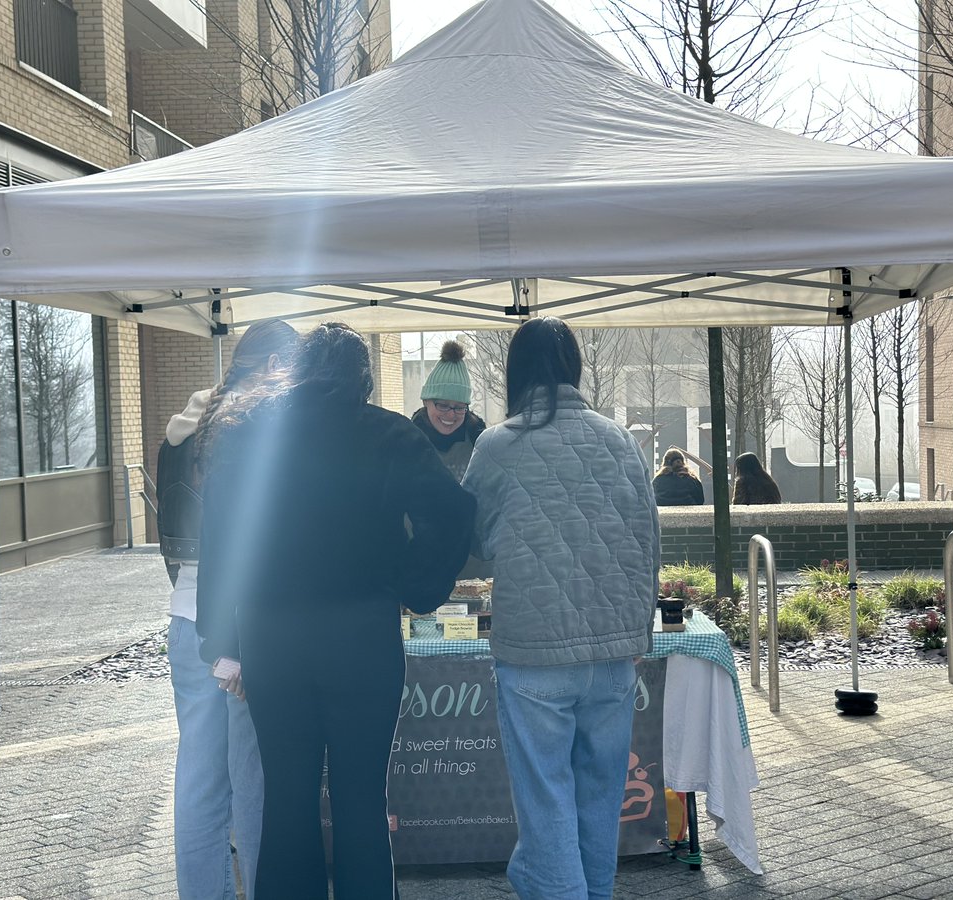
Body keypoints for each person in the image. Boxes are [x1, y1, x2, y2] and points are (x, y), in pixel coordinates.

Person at [195, 322, 475, 900]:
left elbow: (220, 545)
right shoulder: (388, 434)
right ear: (363, 380)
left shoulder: (248, 437)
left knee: (288, 797)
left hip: (272, 636)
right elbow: (450, 513)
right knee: (360, 797)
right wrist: (410, 583)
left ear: (294, 373)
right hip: (361, 635)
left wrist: (218, 640)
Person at [461, 316, 661, 900]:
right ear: (573, 368)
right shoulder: (621, 439)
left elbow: (472, 539)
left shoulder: (497, 444)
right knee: (600, 795)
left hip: (535, 652)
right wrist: (639, 636)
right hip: (614, 652)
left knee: (546, 797)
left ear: (515, 372)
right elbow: (649, 541)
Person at [156, 318, 298, 900]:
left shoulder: (185, 427)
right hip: (246, 618)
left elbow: (170, 526)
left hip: (187, 612)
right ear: (271, 366)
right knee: (253, 780)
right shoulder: (258, 426)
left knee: (199, 779)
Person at [411, 339, 486, 481]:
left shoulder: (478, 440)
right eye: (443, 405)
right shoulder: (408, 441)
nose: (451, 414)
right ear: (426, 401)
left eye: (459, 407)